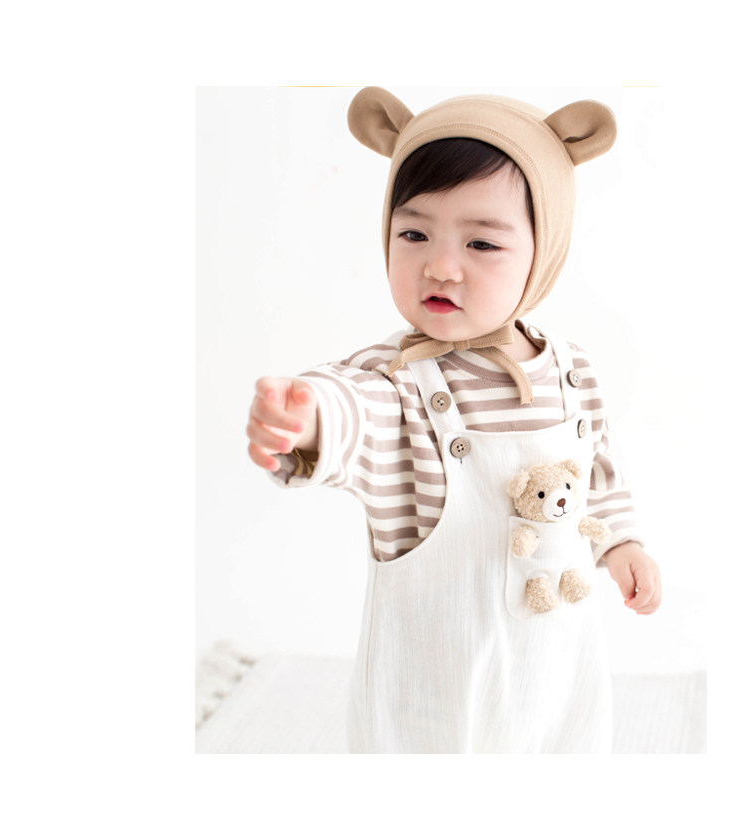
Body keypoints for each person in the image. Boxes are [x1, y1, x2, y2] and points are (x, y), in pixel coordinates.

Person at [245, 87, 662, 753]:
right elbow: (354, 407)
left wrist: (621, 546)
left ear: (545, 251)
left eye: (482, 243)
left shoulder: (572, 371)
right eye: (414, 234)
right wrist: (308, 417)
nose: (441, 266)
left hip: (557, 679)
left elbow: (598, 478)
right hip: (429, 705)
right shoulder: (397, 380)